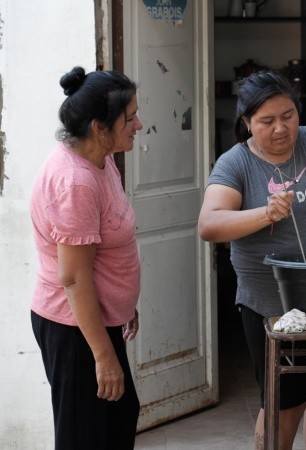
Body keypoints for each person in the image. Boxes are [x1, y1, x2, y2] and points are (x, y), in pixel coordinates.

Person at [197, 70, 306, 450]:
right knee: (282, 403)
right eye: (267, 121)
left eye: (288, 116)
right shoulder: (235, 163)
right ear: (246, 123)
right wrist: (266, 213)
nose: (281, 129)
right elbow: (209, 224)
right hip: (270, 305)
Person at [29, 66, 143, 449]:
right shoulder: (74, 181)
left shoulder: (101, 157)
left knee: (118, 420)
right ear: (99, 127)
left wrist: (123, 302)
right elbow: (74, 278)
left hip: (95, 322)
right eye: (130, 118)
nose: (139, 125)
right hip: (74, 329)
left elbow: (109, 245)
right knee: (86, 437)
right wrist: (104, 356)